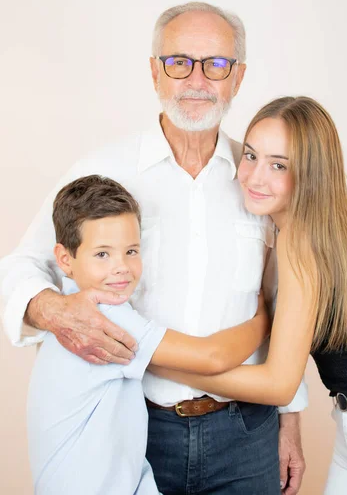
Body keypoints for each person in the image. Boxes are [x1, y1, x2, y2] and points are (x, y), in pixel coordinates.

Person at [0, 2, 307, 495]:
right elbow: (21, 264)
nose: (197, 80)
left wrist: (290, 419)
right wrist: (54, 308)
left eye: (216, 64)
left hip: (246, 432)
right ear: (154, 72)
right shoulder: (103, 169)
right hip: (137, 429)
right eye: (179, 62)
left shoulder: (260, 180)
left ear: (238, 78)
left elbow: (281, 305)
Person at [150, 96, 347, 495]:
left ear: (311, 175)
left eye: (279, 165)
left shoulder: (301, 244)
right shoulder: (313, 226)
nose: (253, 177)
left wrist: (155, 364)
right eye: (250, 156)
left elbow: (278, 384)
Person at [28, 174, 269, 494]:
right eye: (103, 254)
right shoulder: (103, 316)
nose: (122, 267)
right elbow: (214, 356)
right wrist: (264, 319)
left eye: (131, 251)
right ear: (65, 259)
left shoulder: (71, 311)